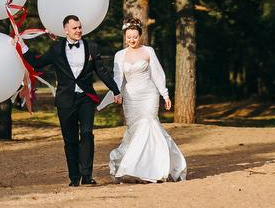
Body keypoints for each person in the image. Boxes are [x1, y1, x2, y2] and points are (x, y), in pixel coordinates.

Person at [26, 15, 121, 186]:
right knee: (69, 140)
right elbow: (36, 64)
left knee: (86, 134)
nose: (78, 31)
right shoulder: (56, 49)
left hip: (86, 98)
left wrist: (115, 90)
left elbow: (102, 72)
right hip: (65, 100)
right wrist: (22, 47)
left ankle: (87, 175)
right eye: (74, 28)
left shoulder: (92, 47)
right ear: (66, 30)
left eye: (79, 27)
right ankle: (74, 177)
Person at [108, 19, 187, 183]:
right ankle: (135, 168)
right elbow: (117, 77)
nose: (132, 40)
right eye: (129, 37)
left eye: (135, 37)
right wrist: (117, 93)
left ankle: (155, 168)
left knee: (149, 125)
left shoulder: (148, 51)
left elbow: (158, 74)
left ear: (140, 36)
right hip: (131, 97)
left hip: (148, 94)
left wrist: (165, 95)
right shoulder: (120, 55)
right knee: (135, 131)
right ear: (125, 36)